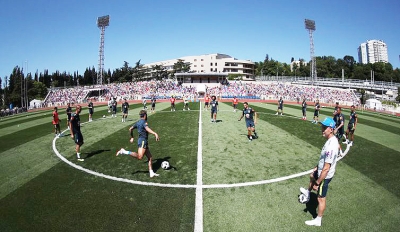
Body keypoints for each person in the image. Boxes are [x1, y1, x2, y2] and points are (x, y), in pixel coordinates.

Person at [300, 117, 339, 227]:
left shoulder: (331, 145)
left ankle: (318, 219)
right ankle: (307, 193)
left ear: (331, 129)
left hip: (324, 175)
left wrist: (318, 183)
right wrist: (317, 167)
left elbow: (327, 168)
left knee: (320, 198)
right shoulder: (330, 141)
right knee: (312, 176)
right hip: (321, 170)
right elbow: (324, 161)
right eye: (322, 126)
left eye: (325, 127)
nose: (322, 129)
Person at [116, 110, 160, 178]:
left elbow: (130, 129)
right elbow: (147, 128)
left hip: (142, 141)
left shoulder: (138, 122)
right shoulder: (144, 122)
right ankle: (124, 151)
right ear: (145, 115)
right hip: (143, 141)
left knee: (150, 157)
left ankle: (151, 172)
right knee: (140, 157)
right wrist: (155, 133)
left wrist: (132, 137)